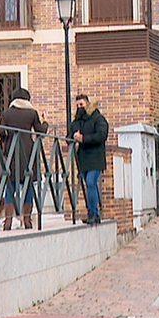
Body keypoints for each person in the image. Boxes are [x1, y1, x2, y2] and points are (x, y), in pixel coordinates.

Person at [0, 88, 48, 230]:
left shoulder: (7, 113)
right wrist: (45, 121)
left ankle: (8, 221)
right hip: (28, 151)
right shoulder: (32, 113)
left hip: (12, 152)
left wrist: (6, 139)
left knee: (10, 185)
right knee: (28, 185)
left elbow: (1, 130)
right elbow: (40, 131)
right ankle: (27, 220)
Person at [69, 93, 109, 225]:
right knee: (88, 184)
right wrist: (73, 137)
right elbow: (70, 134)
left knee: (91, 182)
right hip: (83, 158)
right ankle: (93, 213)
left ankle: (94, 213)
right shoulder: (78, 120)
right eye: (77, 105)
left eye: (81, 104)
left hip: (96, 157)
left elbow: (101, 135)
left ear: (87, 104)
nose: (79, 107)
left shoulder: (98, 118)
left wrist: (84, 139)